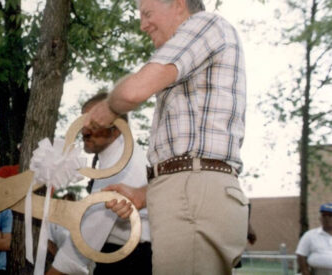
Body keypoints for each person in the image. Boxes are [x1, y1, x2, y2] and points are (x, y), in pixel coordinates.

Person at [84, 0, 249, 273]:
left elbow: (131, 93)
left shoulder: (205, 24)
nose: (142, 25)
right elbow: (194, 150)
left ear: (178, 4)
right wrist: (144, 194)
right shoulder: (193, 61)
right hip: (191, 194)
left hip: (194, 196)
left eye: (147, 13)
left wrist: (109, 106)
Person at [46, 93, 152, 275]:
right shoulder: (114, 158)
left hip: (129, 263)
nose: (84, 131)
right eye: (82, 123)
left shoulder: (121, 165)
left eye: (94, 123)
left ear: (117, 128)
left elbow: (87, 236)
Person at [296, 203, 332, 275]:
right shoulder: (310, 235)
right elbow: (301, 255)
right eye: (324, 215)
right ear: (320, 218)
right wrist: (306, 272)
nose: (327, 219)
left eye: (330, 216)